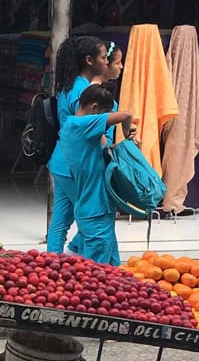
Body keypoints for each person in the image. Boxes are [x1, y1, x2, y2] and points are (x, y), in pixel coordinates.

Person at [60, 84, 135, 266]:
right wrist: (126, 129)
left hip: (95, 209)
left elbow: (102, 153)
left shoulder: (73, 128)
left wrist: (126, 145)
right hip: (95, 211)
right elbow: (126, 115)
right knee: (97, 276)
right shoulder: (81, 124)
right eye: (104, 113)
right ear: (94, 108)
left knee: (112, 269)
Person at [46, 36, 108, 254]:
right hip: (76, 165)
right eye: (104, 57)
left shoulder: (69, 86)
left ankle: (51, 263)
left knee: (61, 218)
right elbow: (84, 123)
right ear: (90, 60)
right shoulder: (83, 90)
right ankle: (87, 260)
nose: (107, 62)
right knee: (93, 216)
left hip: (60, 162)